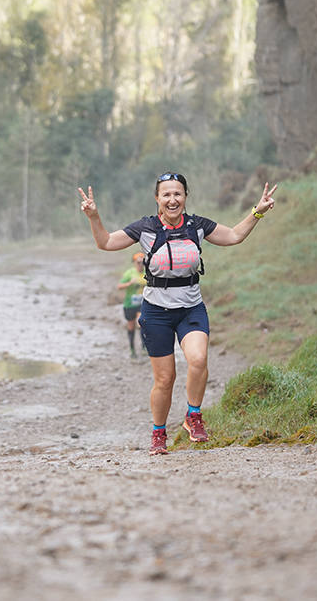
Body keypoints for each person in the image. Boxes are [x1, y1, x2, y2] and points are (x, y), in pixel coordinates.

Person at [78, 172, 277, 456]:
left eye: (178, 194)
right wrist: (94, 217)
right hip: (156, 312)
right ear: (157, 199)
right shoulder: (144, 228)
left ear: (185, 196)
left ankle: (193, 416)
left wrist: (257, 211)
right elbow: (106, 243)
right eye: (166, 194)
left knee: (198, 358)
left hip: (190, 308)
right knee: (165, 379)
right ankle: (158, 433)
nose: (173, 199)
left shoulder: (197, 225)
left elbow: (233, 235)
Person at [117, 252, 147, 357]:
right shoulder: (129, 273)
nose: (140, 264)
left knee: (141, 322)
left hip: (143, 304)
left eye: (142, 262)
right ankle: (132, 350)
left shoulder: (148, 273)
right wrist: (129, 283)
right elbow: (119, 286)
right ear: (134, 262)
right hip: (130, 304)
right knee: (131, 327)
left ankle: (144, 347)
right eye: (138, 262)